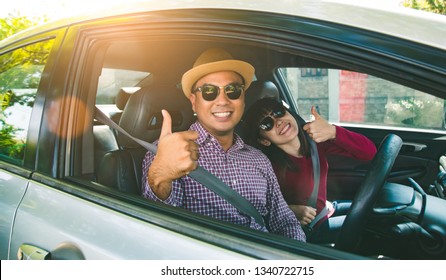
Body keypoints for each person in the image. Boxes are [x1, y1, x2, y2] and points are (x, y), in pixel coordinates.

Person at [141, 48, 306, 242]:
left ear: (243, 99)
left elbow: (284, 221)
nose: (222, 100)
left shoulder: (259, 158)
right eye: (209, 91)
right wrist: (160, 175)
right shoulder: (169, 152)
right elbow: (158, 228)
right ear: (194, 102)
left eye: (233, 90)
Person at [243, 97, 377, 244]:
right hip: (309, 229)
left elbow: (369, 153)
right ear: (264, 140)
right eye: (266, 124)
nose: (278, 121)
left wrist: (333, 131)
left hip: (326, 209)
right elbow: (253, 209)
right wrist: (288, 210)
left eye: (279, 112)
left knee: (377, 211)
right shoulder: (266, 165)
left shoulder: (314, 140)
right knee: (373, 226)